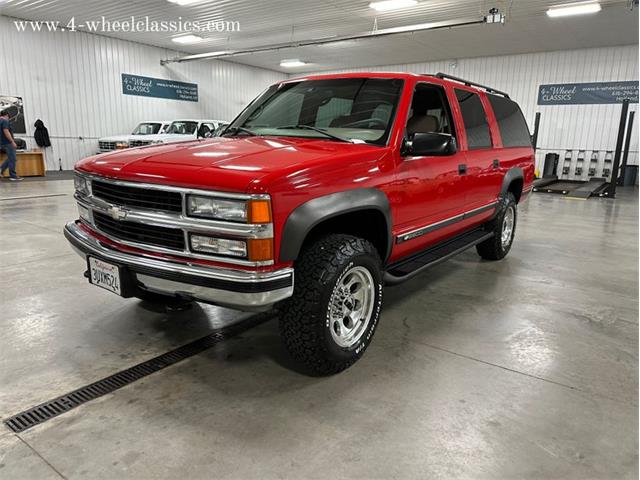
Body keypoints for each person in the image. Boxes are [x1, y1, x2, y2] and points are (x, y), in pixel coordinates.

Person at [0, 109, 23, 181]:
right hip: (7, 143)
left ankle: (1, 169)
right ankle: (13, 175)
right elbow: (6, 131)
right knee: (12, 159)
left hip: (1, 143)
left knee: (11, 158)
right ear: (7, 115)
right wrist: (12, 141)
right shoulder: (5, 121)